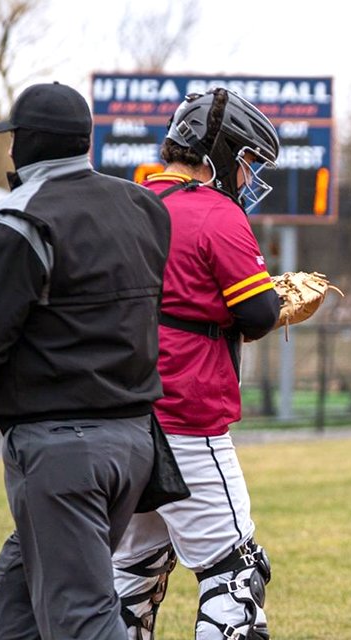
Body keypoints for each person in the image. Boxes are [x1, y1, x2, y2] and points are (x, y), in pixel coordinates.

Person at [0, 82, 171, 639]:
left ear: (24, 144)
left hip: (62, 450)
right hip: (133, 442)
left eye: (11, 139)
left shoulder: (17, 218)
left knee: (82, 619)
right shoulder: (143, 205)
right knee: (11, 619)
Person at [112, 88, 282, 640]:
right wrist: (278, 301)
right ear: (222, 152)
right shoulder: (215, 212)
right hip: (188, 413)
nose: (249, 174)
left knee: (130, 577)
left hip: (122, 413)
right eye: (248, 160)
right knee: (236, 577)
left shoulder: (129, 203)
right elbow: (257, 313)